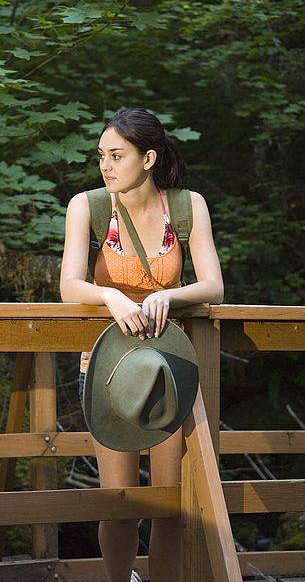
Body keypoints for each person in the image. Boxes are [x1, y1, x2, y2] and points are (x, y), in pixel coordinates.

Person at [60, 107, 224, 582]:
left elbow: (213, 285)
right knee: (120, 503)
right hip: (107, 366)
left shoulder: (187, 206)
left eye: (116, 155)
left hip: (168, 366)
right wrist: (109, 295)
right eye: (101, 156)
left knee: (169, 504)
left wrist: (170, 294)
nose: (104, 166)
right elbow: (69, 285)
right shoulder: (87, 206)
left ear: (148, 158)